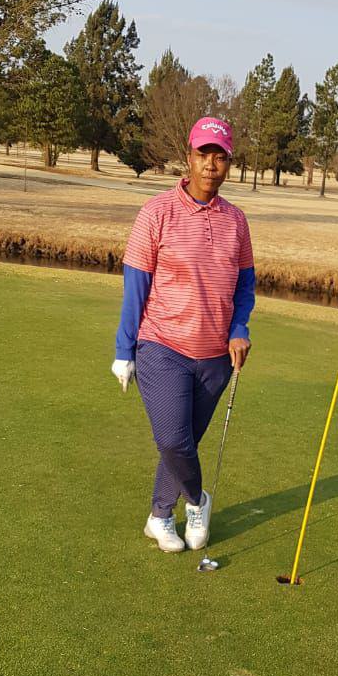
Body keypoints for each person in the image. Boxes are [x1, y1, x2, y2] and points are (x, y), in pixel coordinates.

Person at [111, 117, 255, 552]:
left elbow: (244, 286)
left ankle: (159, 516)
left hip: (215, 358)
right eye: (203, 154)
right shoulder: (157, 212)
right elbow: (136, 284)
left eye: (220, 156)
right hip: (162, 345)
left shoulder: (236, 221)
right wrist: (124, 349)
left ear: (229, 163)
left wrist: (239, 328)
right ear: (189, 157)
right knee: (173, 439)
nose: (211, 164)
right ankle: (198, 500)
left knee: (183, 444)